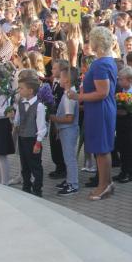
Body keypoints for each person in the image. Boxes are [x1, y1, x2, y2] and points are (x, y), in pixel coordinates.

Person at [69, 27, 118, 200]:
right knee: (102, 149)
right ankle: (107, 183)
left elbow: (102, 92)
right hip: (102, 108)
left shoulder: (100, 64)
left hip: (100, 110)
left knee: (101, 149)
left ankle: (103, 185)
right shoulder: (107, 60)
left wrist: (78, 96)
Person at [14, 77, 48, 197]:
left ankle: (37, 189)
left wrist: (38, 142)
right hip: (22, 137)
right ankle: (26, 186)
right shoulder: (20, 103)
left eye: (21, 88)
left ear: (30, 90)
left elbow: (41, 126)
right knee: (24, 164)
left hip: (32, 139)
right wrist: (13, 120)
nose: (19, 90)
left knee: (35, 165)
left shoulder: (39, 106)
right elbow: (17, 120)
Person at [50, 67, 80, 196]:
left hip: (69, 130)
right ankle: (69, 180)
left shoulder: (69, 96)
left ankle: (73, 184)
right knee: (67, 156)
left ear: (67, 80)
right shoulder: (68, 92)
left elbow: (69, 118)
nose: (59, 80)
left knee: (69, 158)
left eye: (61, 77)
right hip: (65, 130)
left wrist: (53, 118)